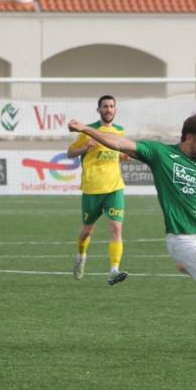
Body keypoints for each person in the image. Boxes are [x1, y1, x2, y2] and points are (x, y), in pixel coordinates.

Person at [67, 111, 196, 355]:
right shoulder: (161, 154)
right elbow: (120, 143)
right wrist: (85, 128)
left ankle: (189, 267)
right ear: (188, 137)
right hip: (184, 239)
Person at [67, 95, 128, 284]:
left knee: (116, 229)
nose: (108, 109)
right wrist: (85, 147)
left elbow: (117, 154)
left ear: (115, 110)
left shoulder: (120, 131)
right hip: (92, 188)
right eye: (105, 106)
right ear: (98, 110)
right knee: (87, 231)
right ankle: (81, 256)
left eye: (111, 106)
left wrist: (123, 157)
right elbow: (70, 153)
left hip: (114, 188)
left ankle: (114, 270)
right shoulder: (89, 131)